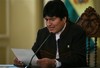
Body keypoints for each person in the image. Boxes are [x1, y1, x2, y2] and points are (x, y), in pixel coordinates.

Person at [14, 0, 87, 68]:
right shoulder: (42, 33)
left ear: (64, 19)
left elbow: (79, 60)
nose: (48, 24)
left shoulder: (77, 32)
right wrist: (22, 61)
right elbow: (34, 55)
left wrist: (54, 63)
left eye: (52, 19)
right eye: (46, 19)